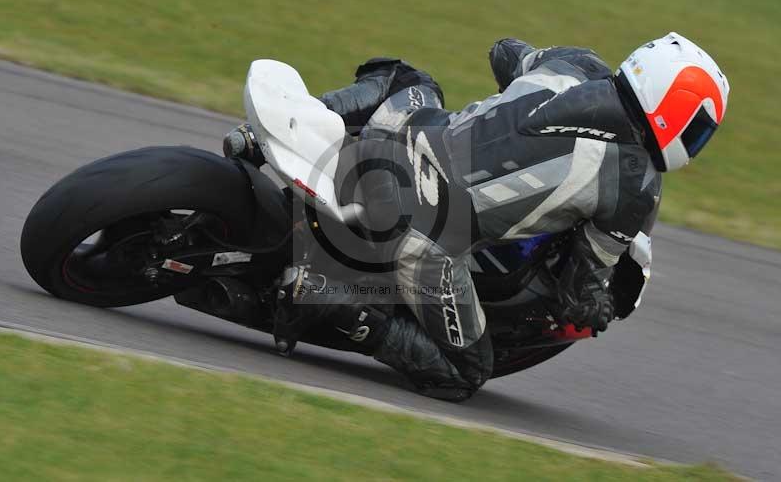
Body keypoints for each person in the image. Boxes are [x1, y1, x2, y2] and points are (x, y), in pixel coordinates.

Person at [231, 32, 730, 401]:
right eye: (700, 128)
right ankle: (333, 302)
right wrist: (594, 310)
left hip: (399, 137)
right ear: (677, 111)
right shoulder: (635, 185)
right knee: (467, 371)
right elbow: (582, 286)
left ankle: (281, 129)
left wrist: (518, 104)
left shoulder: (576, 63)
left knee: (409, 78)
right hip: (422, 233)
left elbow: (503, 51)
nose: (697, 140)